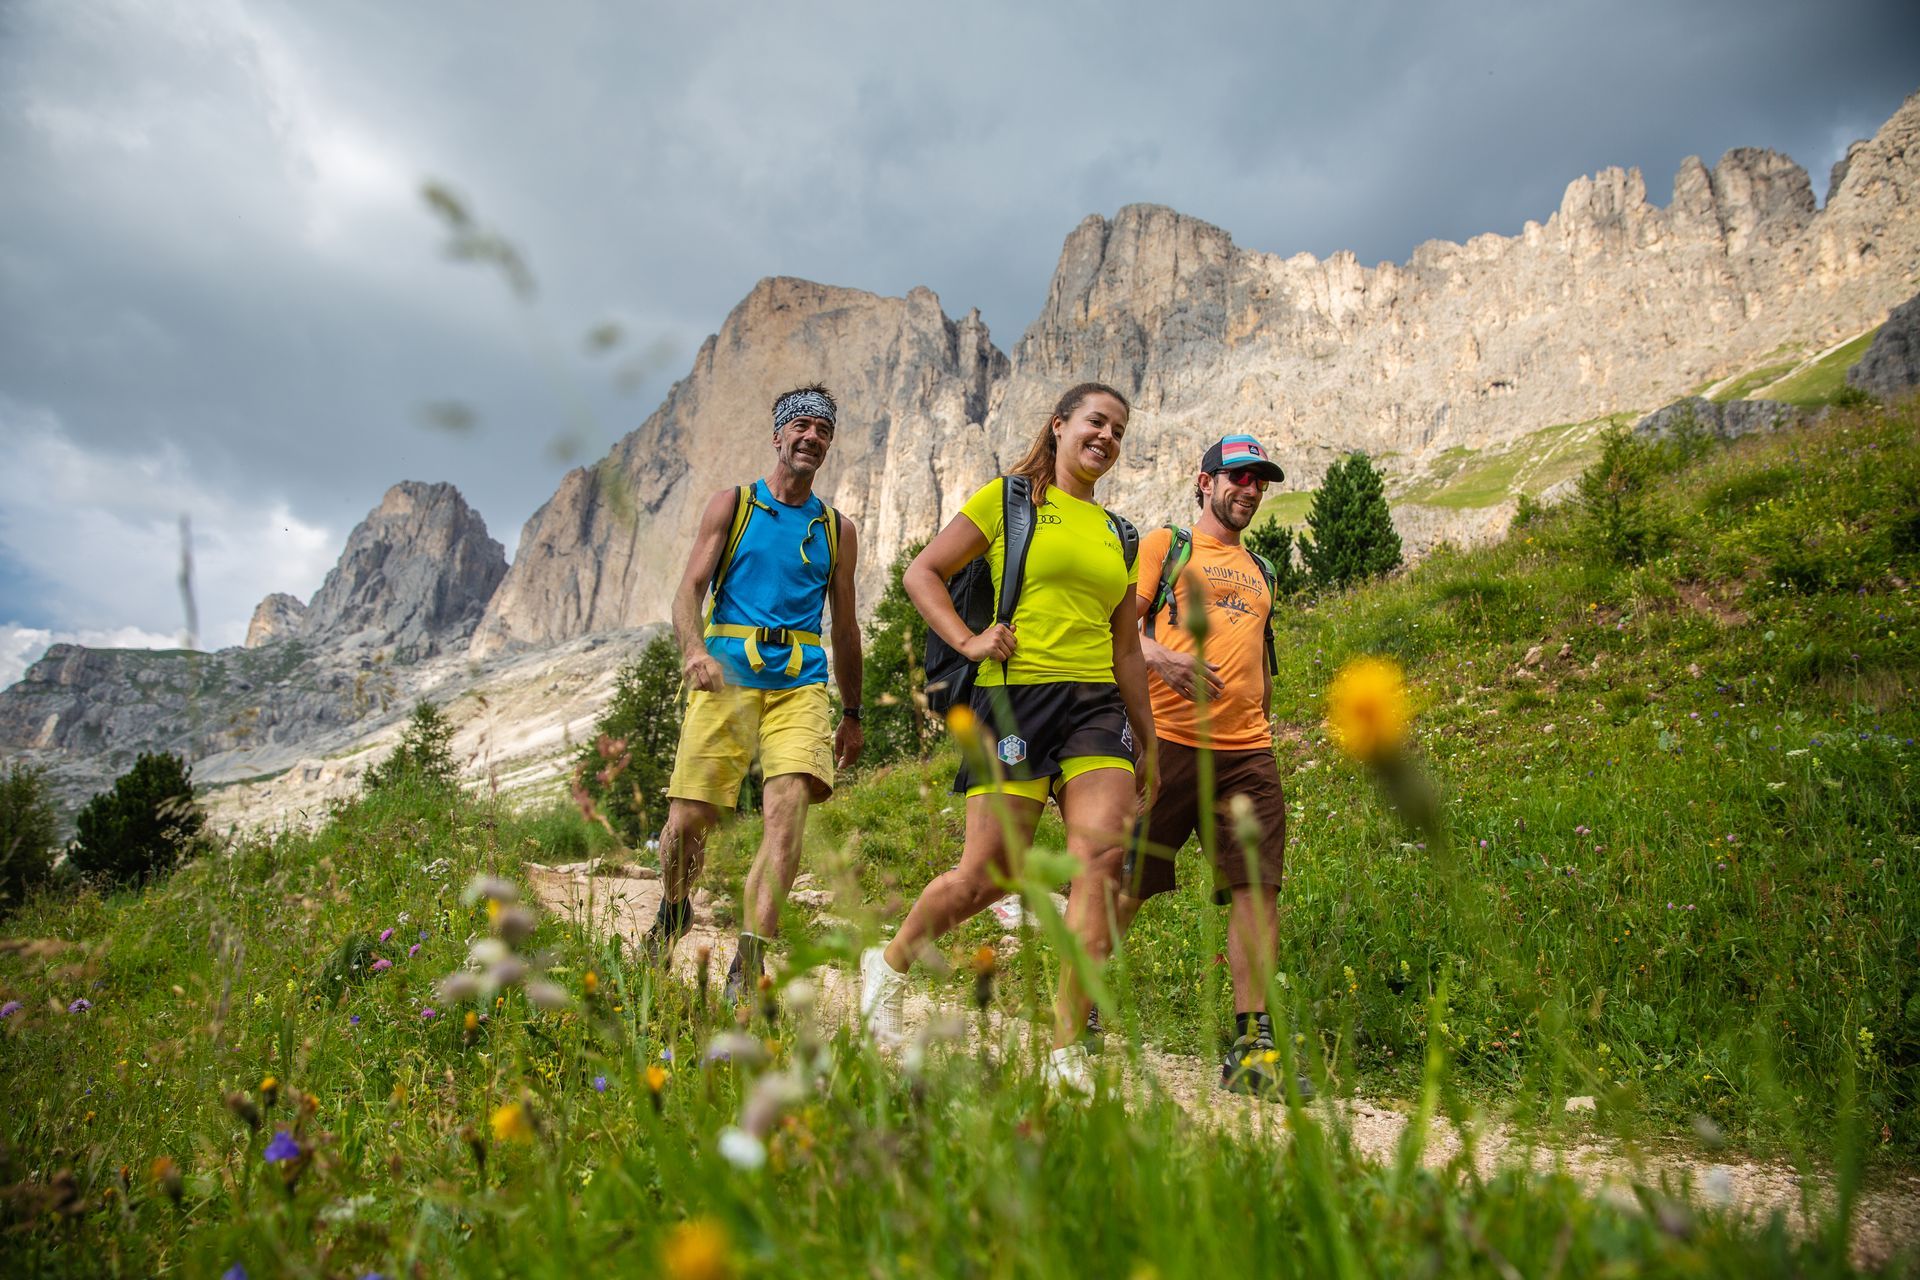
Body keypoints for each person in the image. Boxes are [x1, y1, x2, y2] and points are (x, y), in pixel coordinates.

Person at [858, 382, 1154, 1095]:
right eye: (1095, 421)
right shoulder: (1010, 500)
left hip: (1096, 708)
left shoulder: (1121, 534)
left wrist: (1148, 740)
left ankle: (1064, 1055)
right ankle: (889, 965)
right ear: (1059, 425)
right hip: (1013, 702)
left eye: (1118, 428)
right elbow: (922, 572)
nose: (1107, 436)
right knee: (985, 878)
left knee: (1102, 866)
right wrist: (968, 639)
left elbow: (1127, 651)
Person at [641, 384, 864, 1007]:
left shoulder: (836, 530)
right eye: (801, 427)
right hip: (727, 676)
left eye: (823, 430)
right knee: (689, 821)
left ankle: (750, 959)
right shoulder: (732, 505)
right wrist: (694, 650)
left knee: (787, 808)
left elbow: (845, 629)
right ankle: (674, 907)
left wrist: (852, 713)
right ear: (778, 435)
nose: (812, 437)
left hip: (799, 683)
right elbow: (688, 591)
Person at [1113, 433, 1311, 1101]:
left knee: (1259, 892)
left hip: (1247, 754)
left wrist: (1265, 726)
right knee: (1126, 884)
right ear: (1204, 482)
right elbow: (1118, 635)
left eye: (1260, 481)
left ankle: (1253, 1049)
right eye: (1238, 477)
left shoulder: (1263, 570)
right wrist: (1162, 659)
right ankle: (1077, 1004)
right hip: (1166, 744)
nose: (1250, 490)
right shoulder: (1165, 549)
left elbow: (1261, 660)